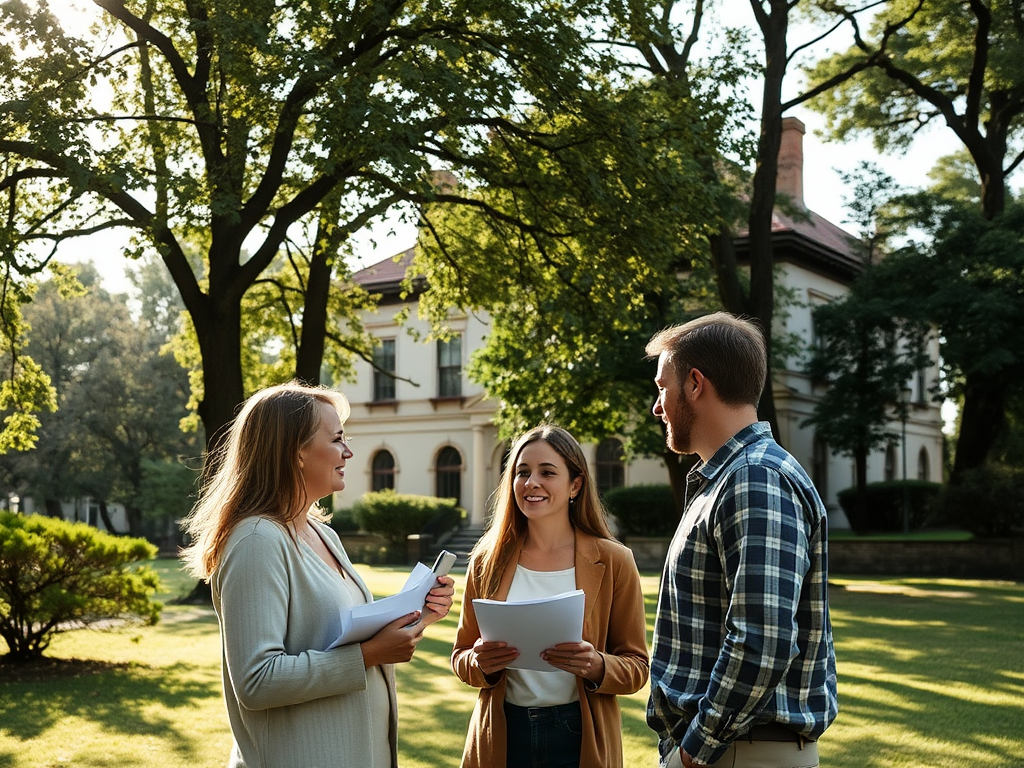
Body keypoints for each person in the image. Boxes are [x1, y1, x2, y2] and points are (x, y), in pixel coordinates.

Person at [180, 382, 454, 768]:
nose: (349, 452)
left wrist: (418, 613)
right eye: (338, 439)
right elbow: (257, 681)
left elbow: (338, 631)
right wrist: (368, 655)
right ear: (297, 454)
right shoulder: (257, 540)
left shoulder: (321, 532)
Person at [644, 312, 838, 768]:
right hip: (731, 749)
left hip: (738, 752)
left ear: (695, 383)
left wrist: (696, 747)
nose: (657, 406)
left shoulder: (755, 479)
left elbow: (762, 640)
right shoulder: (729, 479)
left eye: (661, 387)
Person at [451, 424, 649, 768]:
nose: (531, 483)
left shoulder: (614, 560)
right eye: (522, 472)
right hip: (502, 734)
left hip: (578, 736)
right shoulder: (487, 558)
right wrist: (479, 662)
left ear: (575, 484)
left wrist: (597, 665)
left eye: (547, 472)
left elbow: (637, 667)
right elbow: (461, 655)